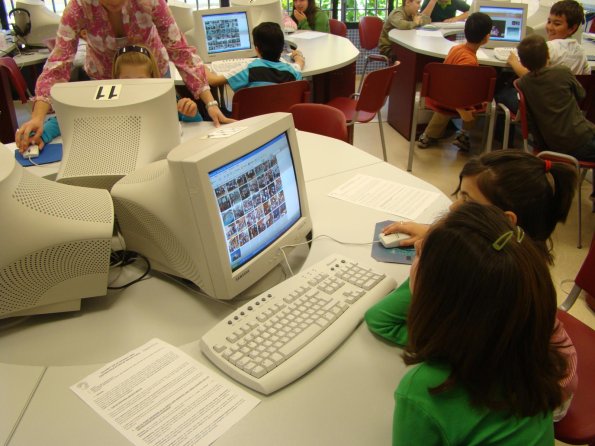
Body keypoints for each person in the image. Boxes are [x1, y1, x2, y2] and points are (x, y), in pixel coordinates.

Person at [367, 150, 578, 421]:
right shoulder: (524, 260)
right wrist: (439, 233)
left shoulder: (488, 282)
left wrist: (432, 255)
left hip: (544, 393)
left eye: (467, 200)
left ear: (506, 219)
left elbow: (382, 317)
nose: (454, 207)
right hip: (551, 363)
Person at [390, 202, 568, 443]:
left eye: (421, 254)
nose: (418, 245)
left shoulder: (424, 391)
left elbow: (379, 317)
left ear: (440, 300)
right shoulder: (531, 358)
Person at [15, 0, 232, 153]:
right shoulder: (78, 8)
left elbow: (180, 51)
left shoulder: (151, 3)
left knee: (156, 131)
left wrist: (210, 102)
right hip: (106, 80)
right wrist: (37, 118)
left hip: (149, 74)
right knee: (114, 134)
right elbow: (58, 63)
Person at [39, 44, 202, 146]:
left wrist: (190, 112)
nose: (134, 85)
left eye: (141, 79)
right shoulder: (109, 99)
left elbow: (195, 125)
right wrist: (42, 134)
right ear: (115, 80)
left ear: (153, 78)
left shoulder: (164, 98)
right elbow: (67, 118)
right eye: (126, 79)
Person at [495, 0, 590, 141]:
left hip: (539, 107)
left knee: (501, 90)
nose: (550, 27)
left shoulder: (548, 48)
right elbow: (584, 80)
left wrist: (514, 62)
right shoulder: (581, 52)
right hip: (565, 111)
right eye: (549, 21)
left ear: (572, 28)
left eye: (557, 24)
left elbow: (532, 78)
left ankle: (503, 142)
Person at [417, 12, 493, 152]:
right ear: (486, 38)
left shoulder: (455, 48)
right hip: (453, 101)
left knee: (448, 100)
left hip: (439, 95)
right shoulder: (470, 61)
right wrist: (463, 111)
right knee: (476, 101)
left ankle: (428, 135)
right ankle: (463, 135)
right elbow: (458, 93)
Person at [517, 34, 595, 162]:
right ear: (548, 55)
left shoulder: (522, 84)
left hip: (551, 146)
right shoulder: (562, 71)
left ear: (523, 63)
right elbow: (582, 95)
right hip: (580, 140)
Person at [207, 22, 304, 92]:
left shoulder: (249, 69)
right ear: (282, 48)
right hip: (283, 117)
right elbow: (299, 64)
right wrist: (297, 56)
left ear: (257, 49)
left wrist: (202, 67)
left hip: (254, 119)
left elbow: (214, 81)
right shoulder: (293, 72)